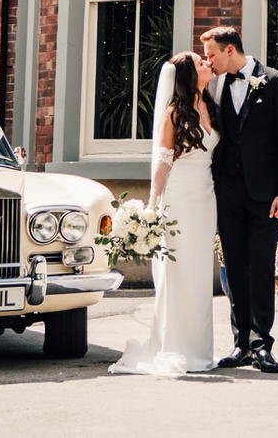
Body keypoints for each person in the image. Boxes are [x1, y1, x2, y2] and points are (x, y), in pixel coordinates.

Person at [108, 52, 220, 376]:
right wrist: (153, 205)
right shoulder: (175, 112)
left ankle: (200, 352)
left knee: (199, 275)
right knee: (177, 273)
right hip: (180, 198)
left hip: (205, 197)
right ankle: (174, 348)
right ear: (187, 75)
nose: (207, 64)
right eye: (200, 62)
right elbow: (163, 160)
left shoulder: (210, 106)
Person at [201, 25, 278, 373]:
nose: (208, 61)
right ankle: (240, 343)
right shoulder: (212, 86)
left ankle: (262, 344)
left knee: (260, 268)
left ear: (230, 50)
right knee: (235, 269)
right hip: (227, 192)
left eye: (211, 54)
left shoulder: (274, 82)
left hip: (264, 196)